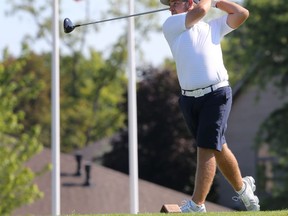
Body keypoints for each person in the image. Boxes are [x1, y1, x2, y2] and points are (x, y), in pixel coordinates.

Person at [160, 0, 260, 213]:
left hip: (217, 94)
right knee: (218, 147)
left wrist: (216, 2)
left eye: (174, 3)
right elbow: (201, 10)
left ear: (188, 3)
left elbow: (241, 13)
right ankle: (244, 189)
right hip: (189, 100)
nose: (170, 8)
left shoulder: (213, 26)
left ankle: (197, 205)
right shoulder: (171, 25)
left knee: (206, 147)